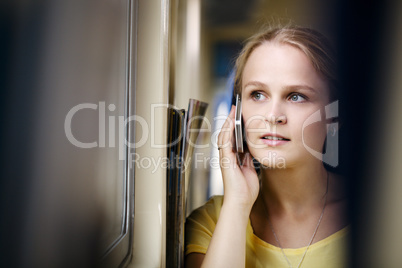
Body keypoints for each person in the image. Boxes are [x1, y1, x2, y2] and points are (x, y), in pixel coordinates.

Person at [185, 25, 349, 268]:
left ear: (334, 116)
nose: (272, 116)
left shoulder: (378, 210)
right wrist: (238, 204)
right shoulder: (211, 222)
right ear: (237, 114)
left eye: (296, 96)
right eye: (258, 94)